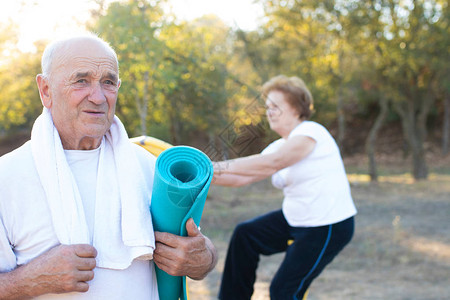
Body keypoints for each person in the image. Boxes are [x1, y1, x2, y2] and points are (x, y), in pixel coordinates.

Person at [0, 34, 217, 299]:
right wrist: (31, 280)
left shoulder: (149, 167)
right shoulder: (7, 177)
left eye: (108, 82)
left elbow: (199, 251)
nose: (99, 97)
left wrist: (202, 257)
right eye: (81, 81)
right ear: (46, 90)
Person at [213, 75, 357, 300]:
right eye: (267, 107)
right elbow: (241, 177)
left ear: (296, 109)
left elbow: (274, 162)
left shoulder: (311, 132)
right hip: (295, 219)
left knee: (283, 291)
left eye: (276, 107)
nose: (269, 111)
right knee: (245, 235)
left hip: (326, 225)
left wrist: (211, 167)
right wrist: (199, 177)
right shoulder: (278, 146)